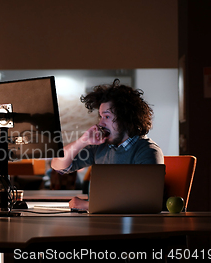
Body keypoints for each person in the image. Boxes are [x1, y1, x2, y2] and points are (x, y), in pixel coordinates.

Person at [51, 79, 164, 210]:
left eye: (107, 117)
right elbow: (58, 165)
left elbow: (146, 201)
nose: (101, 123)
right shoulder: (101, 147)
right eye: (100, 116)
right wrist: (82, 141)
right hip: (101, 222)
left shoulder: (147, 151)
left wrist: (87, 205)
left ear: (125, 118)